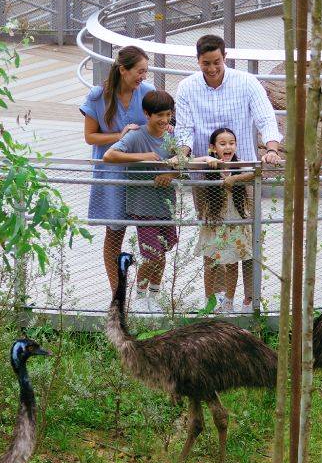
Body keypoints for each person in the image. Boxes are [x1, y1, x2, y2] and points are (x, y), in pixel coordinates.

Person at [173, 33, 282, 305]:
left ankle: (249, 298)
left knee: (246, 234)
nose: (211, 69)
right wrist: (183, 156)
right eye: (205, 63)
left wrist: (271, 149)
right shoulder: (187, 88)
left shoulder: (246, 82)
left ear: (225, 58)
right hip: (206, 177)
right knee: (213, 234)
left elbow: (265, 117)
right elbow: (185, 130)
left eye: (216, 62)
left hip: (242, 173)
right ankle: (219, 299)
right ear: (198, 61)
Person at [81, 45, 151, 293]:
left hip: (141, 172)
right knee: (114, 233)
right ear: (123, 70)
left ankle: (145, 292)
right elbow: (90, 137)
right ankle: (117, 293)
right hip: (111, 173)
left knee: (151, 235)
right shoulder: (98, 96)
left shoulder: (148, 93)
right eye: (139, 71)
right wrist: (117, 135)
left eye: (146, 71)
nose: (143, 77)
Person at [104, 90, 179, 309]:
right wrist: (143, 157)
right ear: (147, 114)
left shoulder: (171, 136)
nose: (164, 120)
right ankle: (139, 298)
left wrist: (170, 174)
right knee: (151, 254)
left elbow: (183, 164)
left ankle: (154, 298)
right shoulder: (136, 136)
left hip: (166, 205)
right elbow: (110, 156)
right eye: (159, 115)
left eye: (168, 115)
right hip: (143, 206)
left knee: (162, 252)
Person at [189, 127, 255, 315]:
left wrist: (235, 178)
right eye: (223, 143)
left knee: (232, 263)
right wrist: (206, 159)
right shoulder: (209, 166)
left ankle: (228, 301)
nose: (228, 147)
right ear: (213, 147)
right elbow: (186, 164)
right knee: (211, 263)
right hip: (214, 223)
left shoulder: (239, 165)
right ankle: (209, 301)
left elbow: (257, 172)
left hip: (235, 222)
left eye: (231, 143)